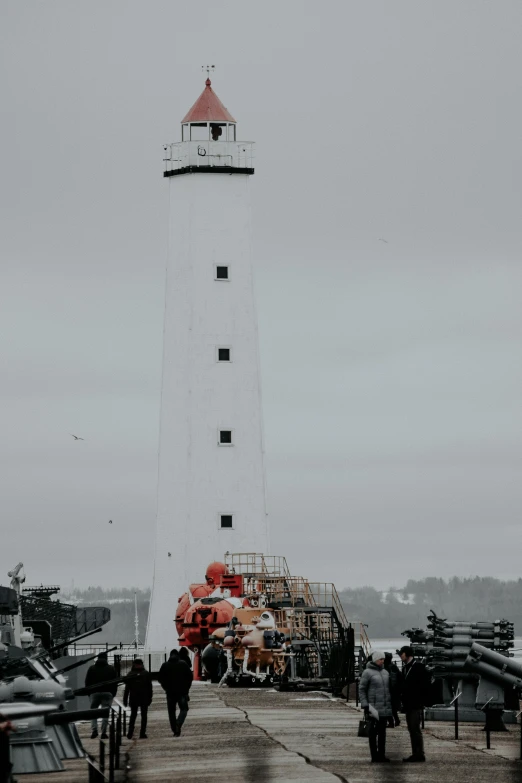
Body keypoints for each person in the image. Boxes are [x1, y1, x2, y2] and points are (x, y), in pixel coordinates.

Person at [358, 650, 393, 763]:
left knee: (382, 733)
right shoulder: (367, 673)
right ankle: (374, 756)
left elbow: (389, 691)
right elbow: (362, 689)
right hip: (372, 707)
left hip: (384, 707)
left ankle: (381, 755)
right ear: (375, 660)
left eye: (383, 659)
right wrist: (365, 704)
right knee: (373, 733)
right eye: (380, 659)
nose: (382, 661)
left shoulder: (385, 672)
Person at [399, 645, 428, 763]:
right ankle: (415, 752)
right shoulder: (406, 668)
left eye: (402, 654)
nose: (400, 656)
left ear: (406, 654)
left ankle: (419, 753)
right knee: (411, 728)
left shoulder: (418, 667)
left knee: (415, 729)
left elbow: (424, 685)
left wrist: (421, 700)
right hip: (408, 704)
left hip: (416, 703)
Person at [158, 649, 193, 737]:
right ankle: (179, 723)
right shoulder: (183, 664)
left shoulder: (165, 665)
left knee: (171, 711)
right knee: (184, 709)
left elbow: (160, 678)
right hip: (182, 692)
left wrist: (165, 687)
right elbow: (190, 677)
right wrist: (186, 689)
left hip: (170, 692)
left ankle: (175, 729)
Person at [85, 652, 118, 739]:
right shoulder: (111, 668)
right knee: (105, 713)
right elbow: (115, 682)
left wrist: (90, 693)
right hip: (107, 693)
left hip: (94, 693)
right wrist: (113, 693)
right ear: (106, 658)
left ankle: (94, 730)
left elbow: (87, 682)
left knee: (93, 713)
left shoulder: (91, 668)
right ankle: (103, 732)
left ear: (97, 658)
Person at [123, 658, 153, 740]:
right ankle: (142, 733)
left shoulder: (130, 674)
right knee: (144, 716)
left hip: (134, 698)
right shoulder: (146, 674)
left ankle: (130, 733)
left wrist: (125, 700)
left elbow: (127, 689)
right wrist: (150, 697)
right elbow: (150, 687)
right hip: (144, 697)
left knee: (133, 715)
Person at [384, 652, 402, 728]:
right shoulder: (394, 667)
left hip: (389, 690)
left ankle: (391, 722)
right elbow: (399, 677)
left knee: (387, 707)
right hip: (395, 690)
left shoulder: (386, 667)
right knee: (393, 708)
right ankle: (396, 720)